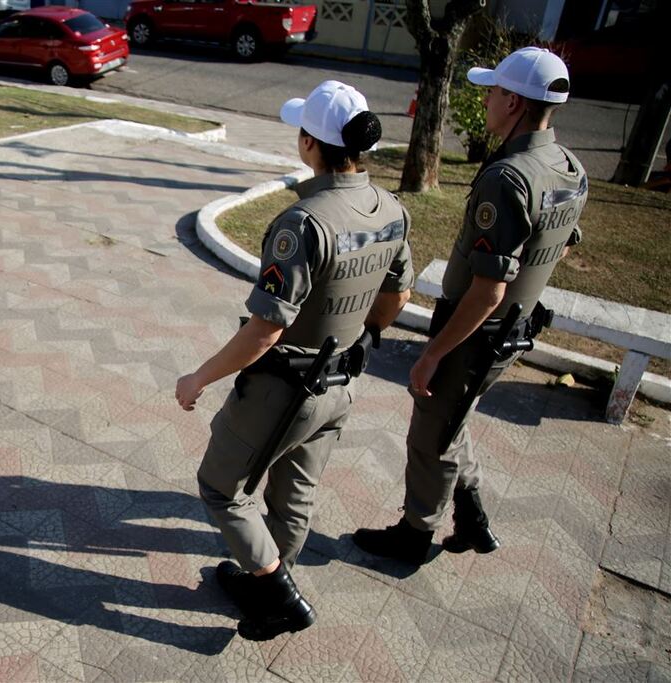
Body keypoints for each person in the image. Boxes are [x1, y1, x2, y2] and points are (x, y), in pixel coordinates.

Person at [176, 80, 414, 641]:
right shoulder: (393, 209)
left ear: (310, 143)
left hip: (283, 387)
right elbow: (397, 298)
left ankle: (280, 595)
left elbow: (266, 329)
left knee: (220, 488)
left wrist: (198, 378)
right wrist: (362, 329)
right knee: (294, 493)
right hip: (343, 383)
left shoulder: (303, 223)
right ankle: (267, 584)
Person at [353, 47, 589, 565]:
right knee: (453, 420)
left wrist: (433, 353)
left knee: (432, 435)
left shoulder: (509, 178)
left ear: (511, 100)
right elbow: (565, 243)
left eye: (490, 91)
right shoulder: (568, 167)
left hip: (475, 331)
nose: (484, 100)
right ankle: (473, 517)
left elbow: (488, 290)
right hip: (512, 330)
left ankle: (415, 536)